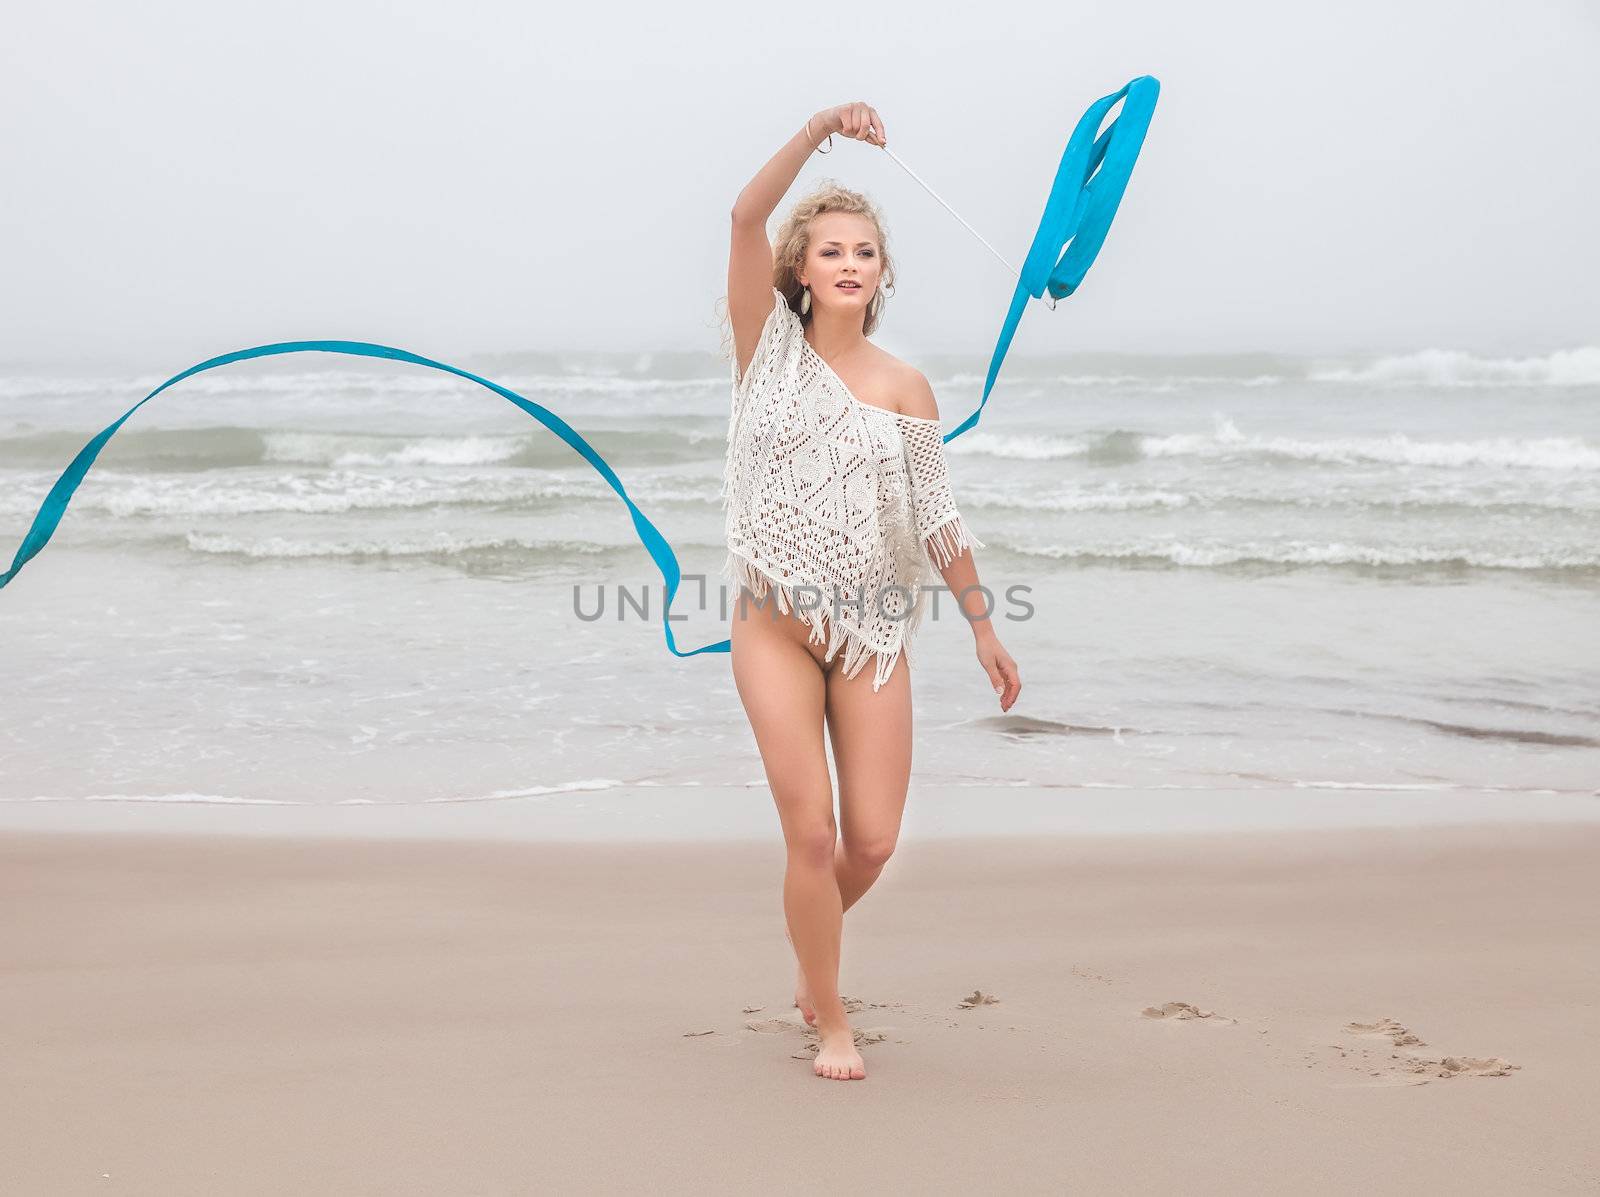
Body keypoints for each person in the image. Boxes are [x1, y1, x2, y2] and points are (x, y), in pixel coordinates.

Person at [721, 101, 1022, 1081]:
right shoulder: (764, 351)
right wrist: (816, 130)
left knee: (874, 843)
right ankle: (831, 1015)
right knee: (810, 835)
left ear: (880, 274)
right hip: (772, 623)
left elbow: (937, 519)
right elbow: (739, 217)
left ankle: (810, 957)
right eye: (830, 249)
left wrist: (983, 629)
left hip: (873, 631)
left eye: (865, 251)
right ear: (800, 269)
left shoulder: (904, 386)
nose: (849, 262)